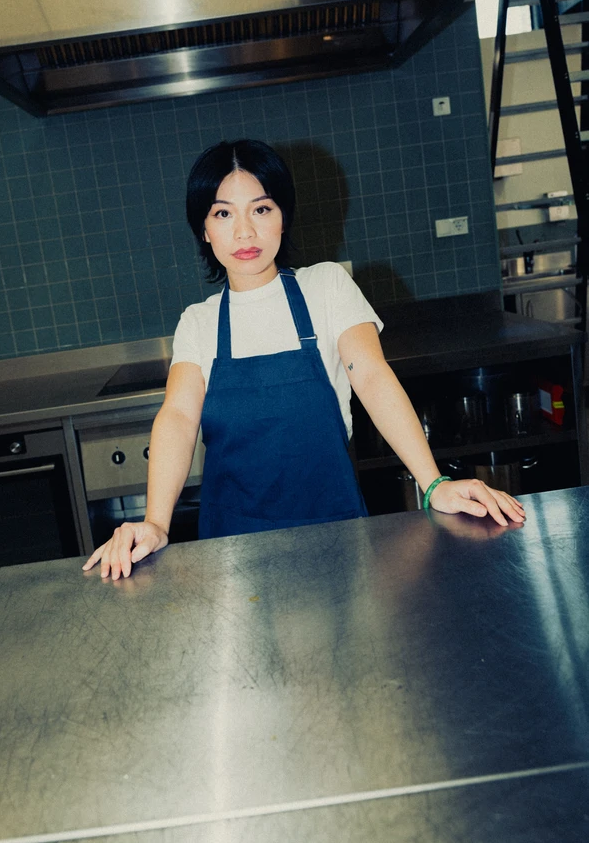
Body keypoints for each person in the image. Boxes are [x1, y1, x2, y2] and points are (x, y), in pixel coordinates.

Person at [84, 140, 525, 579]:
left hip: (337, 540)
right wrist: (157, 522)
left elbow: (371, 377)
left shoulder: (327, 287)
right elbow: (178, 417)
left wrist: (433, 485)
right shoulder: (198, 323)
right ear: (204, 228)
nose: (244, 232)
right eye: (223, 213)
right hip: (232, 555)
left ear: (283, 218)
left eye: (261, 209)